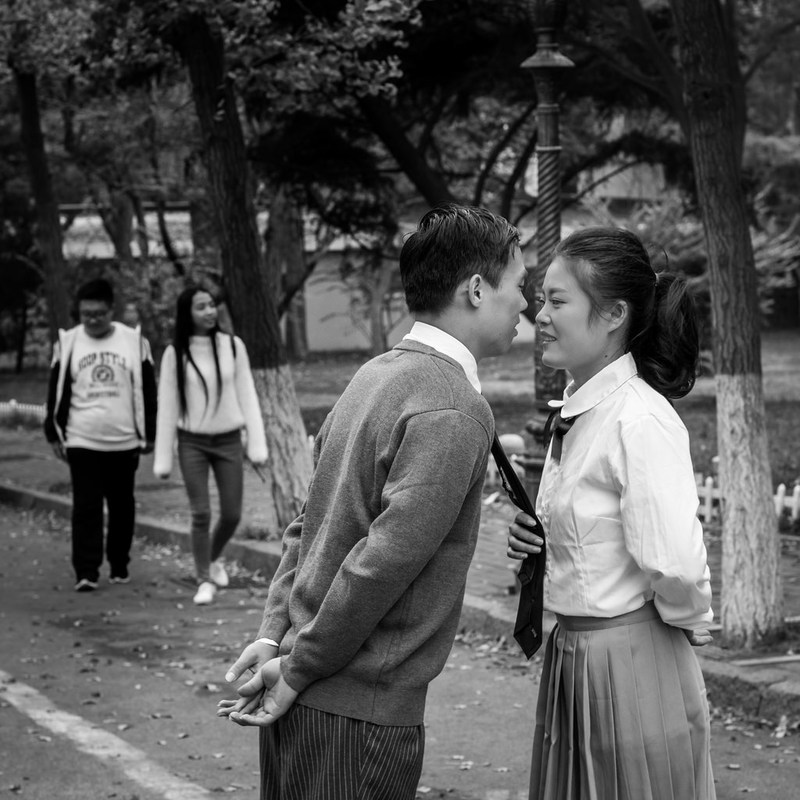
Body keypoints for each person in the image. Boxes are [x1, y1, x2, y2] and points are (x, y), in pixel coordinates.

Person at [217, 204, 528, 799]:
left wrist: (276, 636)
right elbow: (383, 559)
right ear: (477, 288)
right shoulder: (454, 406)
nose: (526, 305)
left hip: (304, 683)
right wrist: (300, 662)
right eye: (520, 285)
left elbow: (307, 525)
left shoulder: (373, 376)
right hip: (353, 709)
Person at [508, 227, 716, 799]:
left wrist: (689, 619)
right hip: (572, 657)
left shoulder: (639, 419)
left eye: (556, 300)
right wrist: (537, 541)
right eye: (538, 298)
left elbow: (674, 559)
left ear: (613, 314)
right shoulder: (580, 411)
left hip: (631, 663)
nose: (539, 314)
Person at [153, 285, 268, 606]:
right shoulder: (176, 353)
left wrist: (256, 444)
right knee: (200, 512)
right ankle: (204, 579)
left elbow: (247, 394)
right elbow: (168, 406)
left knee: (232, 514)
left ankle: (212, 558)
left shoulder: (233, 346)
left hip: (229, 440)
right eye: (201, 307)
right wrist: (163, 457)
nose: (209, 312)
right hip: (192, 443)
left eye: (211, 305)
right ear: (187, 313)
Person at [44, 278, 157, 591]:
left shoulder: (134, 342)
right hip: (82, 438)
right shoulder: (67, 343)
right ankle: (86, 571)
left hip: (124, 439)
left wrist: (149, 431)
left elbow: (148, 388)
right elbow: (55, 389)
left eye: (99, 313)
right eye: (85, 314)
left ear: (111, 310)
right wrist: (53, 433)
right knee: (86, 507)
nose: (92, 320)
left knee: (122, 506)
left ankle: (119, 563)